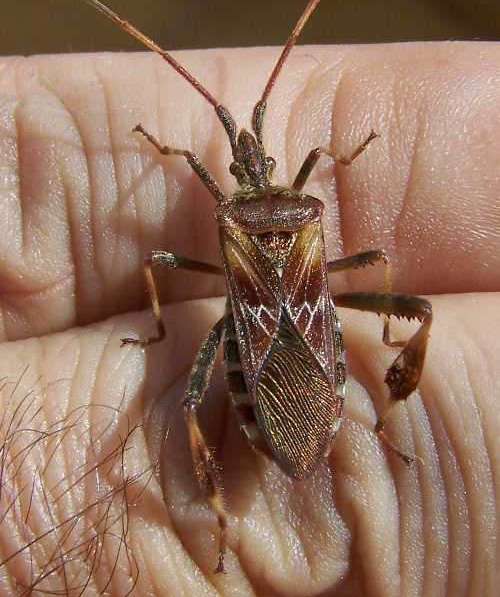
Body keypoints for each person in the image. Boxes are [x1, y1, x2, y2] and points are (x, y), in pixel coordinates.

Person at [0, 41, 498, 594]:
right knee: (412, 306)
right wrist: (344, 158)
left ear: (240, 171)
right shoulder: (304, 206)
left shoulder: (235, 213)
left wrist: (161, 328)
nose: (247, 157)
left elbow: (162, 235)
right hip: (298, 323)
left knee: (190, 402)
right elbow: (331, 194)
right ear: (264, 167)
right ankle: (373, 420)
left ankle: (218, 514)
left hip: (249, 333)